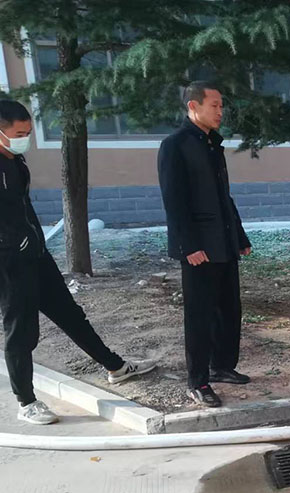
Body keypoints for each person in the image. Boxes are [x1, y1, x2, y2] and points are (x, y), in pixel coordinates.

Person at [0, 100, 156, 425]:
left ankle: (116, 367)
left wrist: (33, 242)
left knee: (71, 315)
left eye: (27, 133)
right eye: (19, 134)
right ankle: (26, 402)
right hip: (10, 265)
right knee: (21, 332)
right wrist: (12, 244)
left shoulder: (15, 160)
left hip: (37, 256)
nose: (25, 139)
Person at [158, 81, 252, 409]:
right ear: (193, 106)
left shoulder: (213, 144)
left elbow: (224, 197)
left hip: (223, 241)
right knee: (199, 315)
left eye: (221, 106)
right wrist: (187, 246)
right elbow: (174, 201)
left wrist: (239, 236)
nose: (220, 111)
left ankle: (222, 365)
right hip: (198, 248)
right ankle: (197, 381)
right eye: (214, 105)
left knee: (228, 309)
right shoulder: (176, 145)